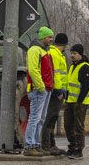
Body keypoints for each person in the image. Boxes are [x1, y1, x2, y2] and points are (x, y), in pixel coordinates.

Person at [23, 27, 55, 156]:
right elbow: (33, 69)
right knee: (35, 118)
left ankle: (36, 144)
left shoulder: (43, 50)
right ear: (42, 37)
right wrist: (41, 86)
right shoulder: (35, 50)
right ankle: (29, 145)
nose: (51, 39)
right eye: (49, 37)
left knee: (40, 118)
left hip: (45, 89)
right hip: (39, 90)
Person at [41, 33, 69, 155]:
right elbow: (55, 74)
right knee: (50, 118)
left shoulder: (56, 54)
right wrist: (58, 91)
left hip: (57, 91)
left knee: (52, 118)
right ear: (65, 44)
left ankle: (51, 144)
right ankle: (47, 145)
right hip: (55, 92)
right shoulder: (55, 55)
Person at [64, 44, 89, 159]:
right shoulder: (72, 66)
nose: (72, 55)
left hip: (80, 102)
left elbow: (85, 86)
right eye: (71, 53)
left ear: (80, 54)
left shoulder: (85, 67)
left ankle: (79, 149)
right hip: (70, 101)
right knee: (68, 125)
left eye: (74, 53)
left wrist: (79, 101)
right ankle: (72, 147)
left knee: (78, 126)